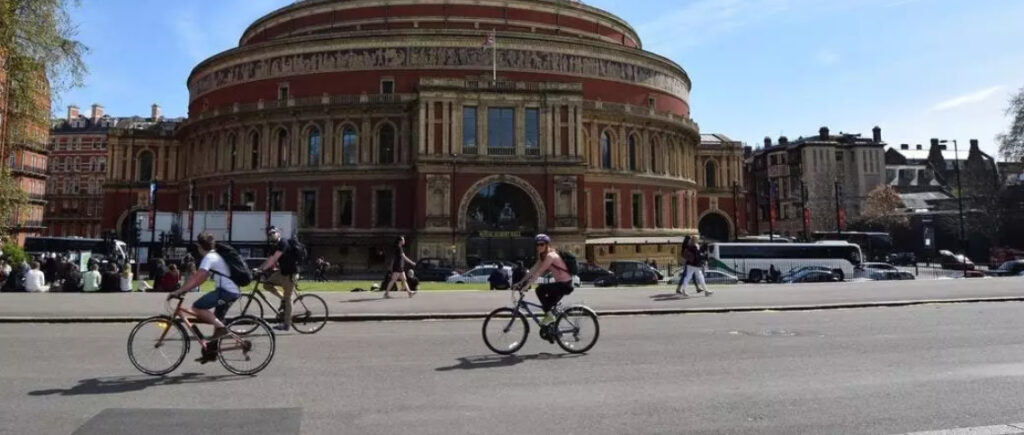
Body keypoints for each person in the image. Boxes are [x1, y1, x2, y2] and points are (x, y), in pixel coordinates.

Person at [167, 232, 241, 364]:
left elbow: (197, 276)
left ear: (200, 246)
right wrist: (186, 289)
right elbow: (202, 279)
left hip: (226, 292)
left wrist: (179, 290)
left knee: (197, 307)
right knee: (217, 318)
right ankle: (211, 353)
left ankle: (222, 329)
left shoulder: (209, 258)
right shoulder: (213, 256)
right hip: (228, 290)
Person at [513, 234, 573, 327]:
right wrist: (520, 282)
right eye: (537, 244)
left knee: (540, 290)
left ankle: (550, 317)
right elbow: (533, 270)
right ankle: (552, 326)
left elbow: (539, 272)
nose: (539, 246)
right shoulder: (543, 256)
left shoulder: (550, 256)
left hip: (565, 284)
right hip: (560, 284)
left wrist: (527, 285)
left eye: (542, 244)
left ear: (547, 245)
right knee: (546, 304)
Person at [257, 226, 300, 331]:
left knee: (289, 298)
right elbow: (270, 259)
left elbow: (275, 258)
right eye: (269, 234)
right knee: (267, 284)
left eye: (273, 233)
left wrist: (263, 270)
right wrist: (258, 269)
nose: (271, 235)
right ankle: (283, 299)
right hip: (282, 272)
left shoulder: (283, 243)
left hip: (291, 273)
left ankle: (287, 325)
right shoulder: (274, 246)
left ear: (278, 233)